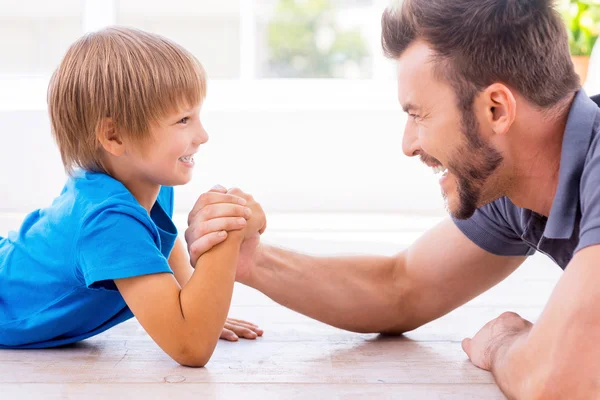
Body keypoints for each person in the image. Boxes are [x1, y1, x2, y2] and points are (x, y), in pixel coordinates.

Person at [186, 0, 600, 397]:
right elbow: (401, 288)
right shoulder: (511, 185)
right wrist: (253, 260)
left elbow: (558, 381)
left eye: (418, 114)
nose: (408, 144)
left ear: (496, 110)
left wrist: (502, 345)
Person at [0, 27, 266, 368]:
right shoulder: (108, 220)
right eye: (183, 120)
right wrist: (225, 235)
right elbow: (190, 346)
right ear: (114, 135)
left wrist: (197, 307)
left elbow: (163, 245)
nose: (203, 135)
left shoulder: (148, 180)